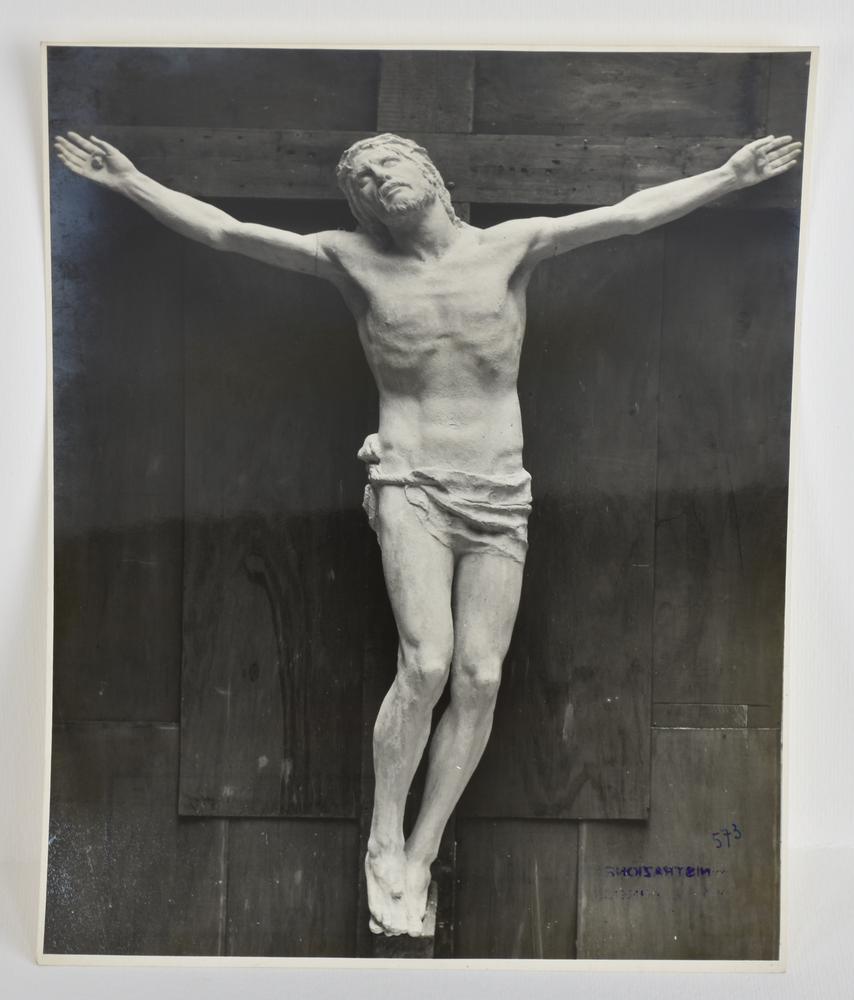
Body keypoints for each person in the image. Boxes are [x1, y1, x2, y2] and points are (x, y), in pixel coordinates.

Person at [54, 128, 802, 937]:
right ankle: (383, 834)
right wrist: (129, 181)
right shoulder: (350, 259)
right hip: (409, 480)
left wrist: (729, 175)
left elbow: (628, 215)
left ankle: (421, 848)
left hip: (500, 488)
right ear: (361, 208)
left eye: (389, 166)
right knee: (428, 663)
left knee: (479, 675)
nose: (378, 182)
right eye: (363, 181)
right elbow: (229, 233)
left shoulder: (512, 246)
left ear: (430, 175)